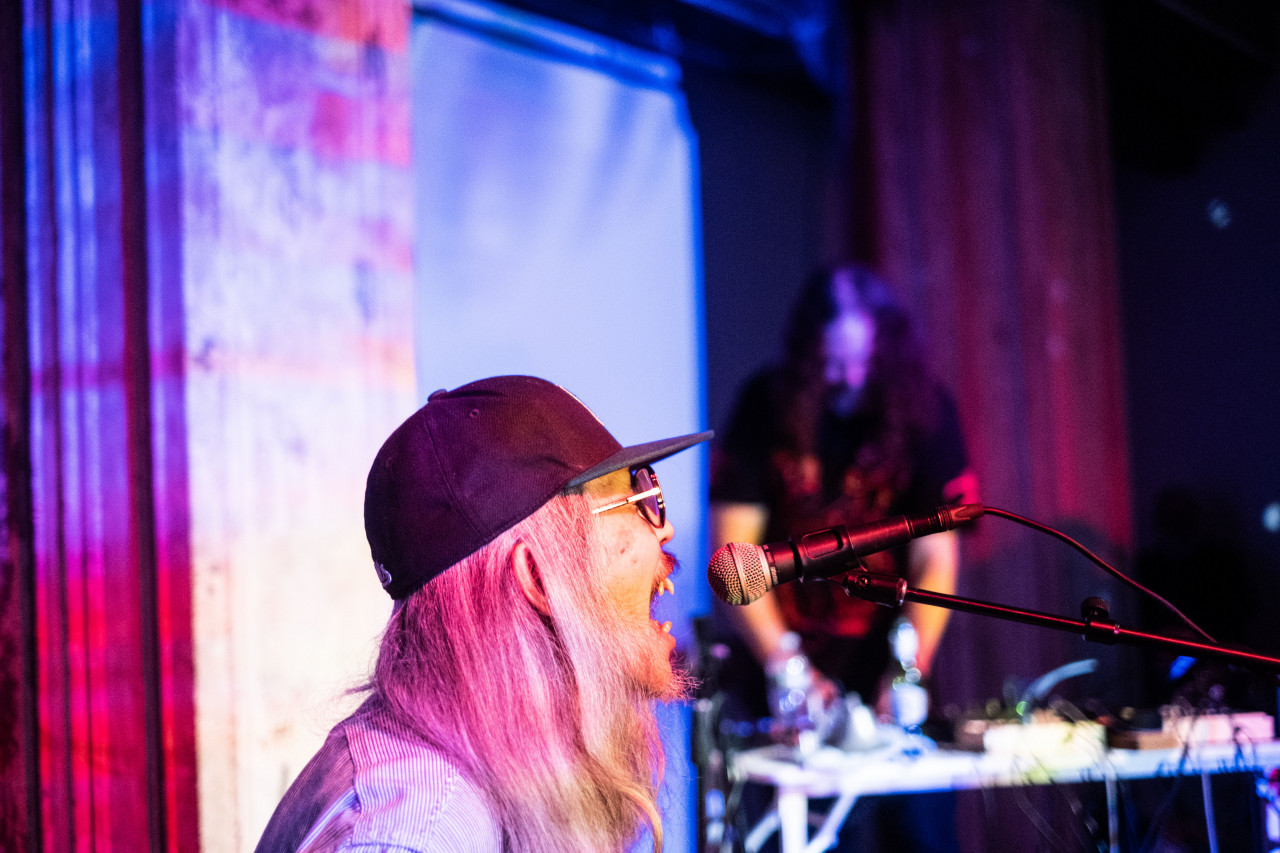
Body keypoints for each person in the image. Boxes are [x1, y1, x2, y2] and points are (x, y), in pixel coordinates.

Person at [255, 375, 711, 853]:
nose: (666, 529)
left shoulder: (470, 780)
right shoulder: (419, 829)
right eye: (641, 500)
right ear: (538, 578)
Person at [709, 264, 977, 851]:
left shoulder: (924, 412)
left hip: (891, 678)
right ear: (807, 355)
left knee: (919, 836)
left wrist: (908, 667)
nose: (849, 380)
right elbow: (734, 559)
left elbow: (937, 557)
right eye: (832, 365)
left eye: (863, 363)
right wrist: (787, 665)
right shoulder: (765, 407)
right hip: (790, 689)